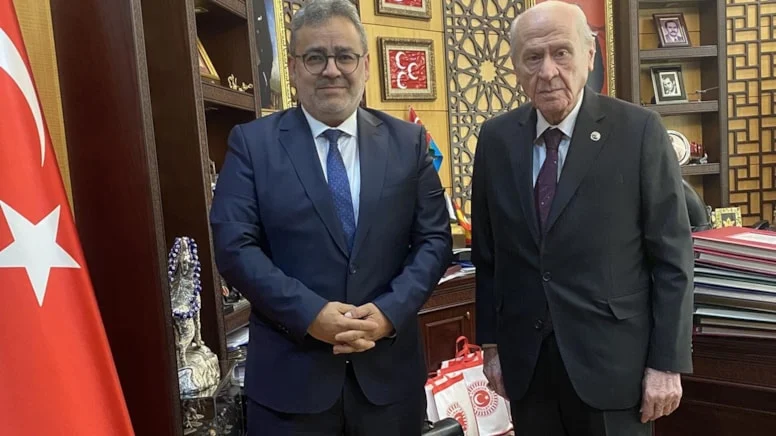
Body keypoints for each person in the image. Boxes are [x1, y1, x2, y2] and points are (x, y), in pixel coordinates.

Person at [209, 0, 453, 434]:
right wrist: (310, 314)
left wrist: (388, 312)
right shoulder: (252, 144)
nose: (331, 70)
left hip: (389, 384)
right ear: (293, 67)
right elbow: (234, 247)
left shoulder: (410, 143)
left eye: (344, 56)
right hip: (290, 385)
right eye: (315, 57)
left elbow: (434, 241)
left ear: (366, 65)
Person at [470, 2, 694, 436]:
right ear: (515, 66)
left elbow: (672, 259)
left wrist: (666, 363)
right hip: (529, 366)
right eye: (532, 57)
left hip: (615, 366)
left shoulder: (639, 131)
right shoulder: (496, 139)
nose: (547, 71)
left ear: (589, 56)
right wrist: (491, 346)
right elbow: (489, 256)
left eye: (561, 53)